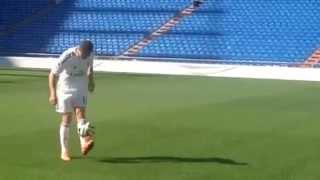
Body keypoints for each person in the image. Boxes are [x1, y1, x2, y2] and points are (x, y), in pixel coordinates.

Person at [48, 40, 95, 161]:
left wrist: (91, 81)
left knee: (81, 115)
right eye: (84, 53)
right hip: (65, 89)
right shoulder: (67, 56)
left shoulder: (90, 55)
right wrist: (53, 93)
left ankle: (84, 142)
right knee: (67, 119)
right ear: (79, 49)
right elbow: (52, 74)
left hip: (81, 87)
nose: (85, 56)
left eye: (87, 53)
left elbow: (90, 68)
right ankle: (64, 151)